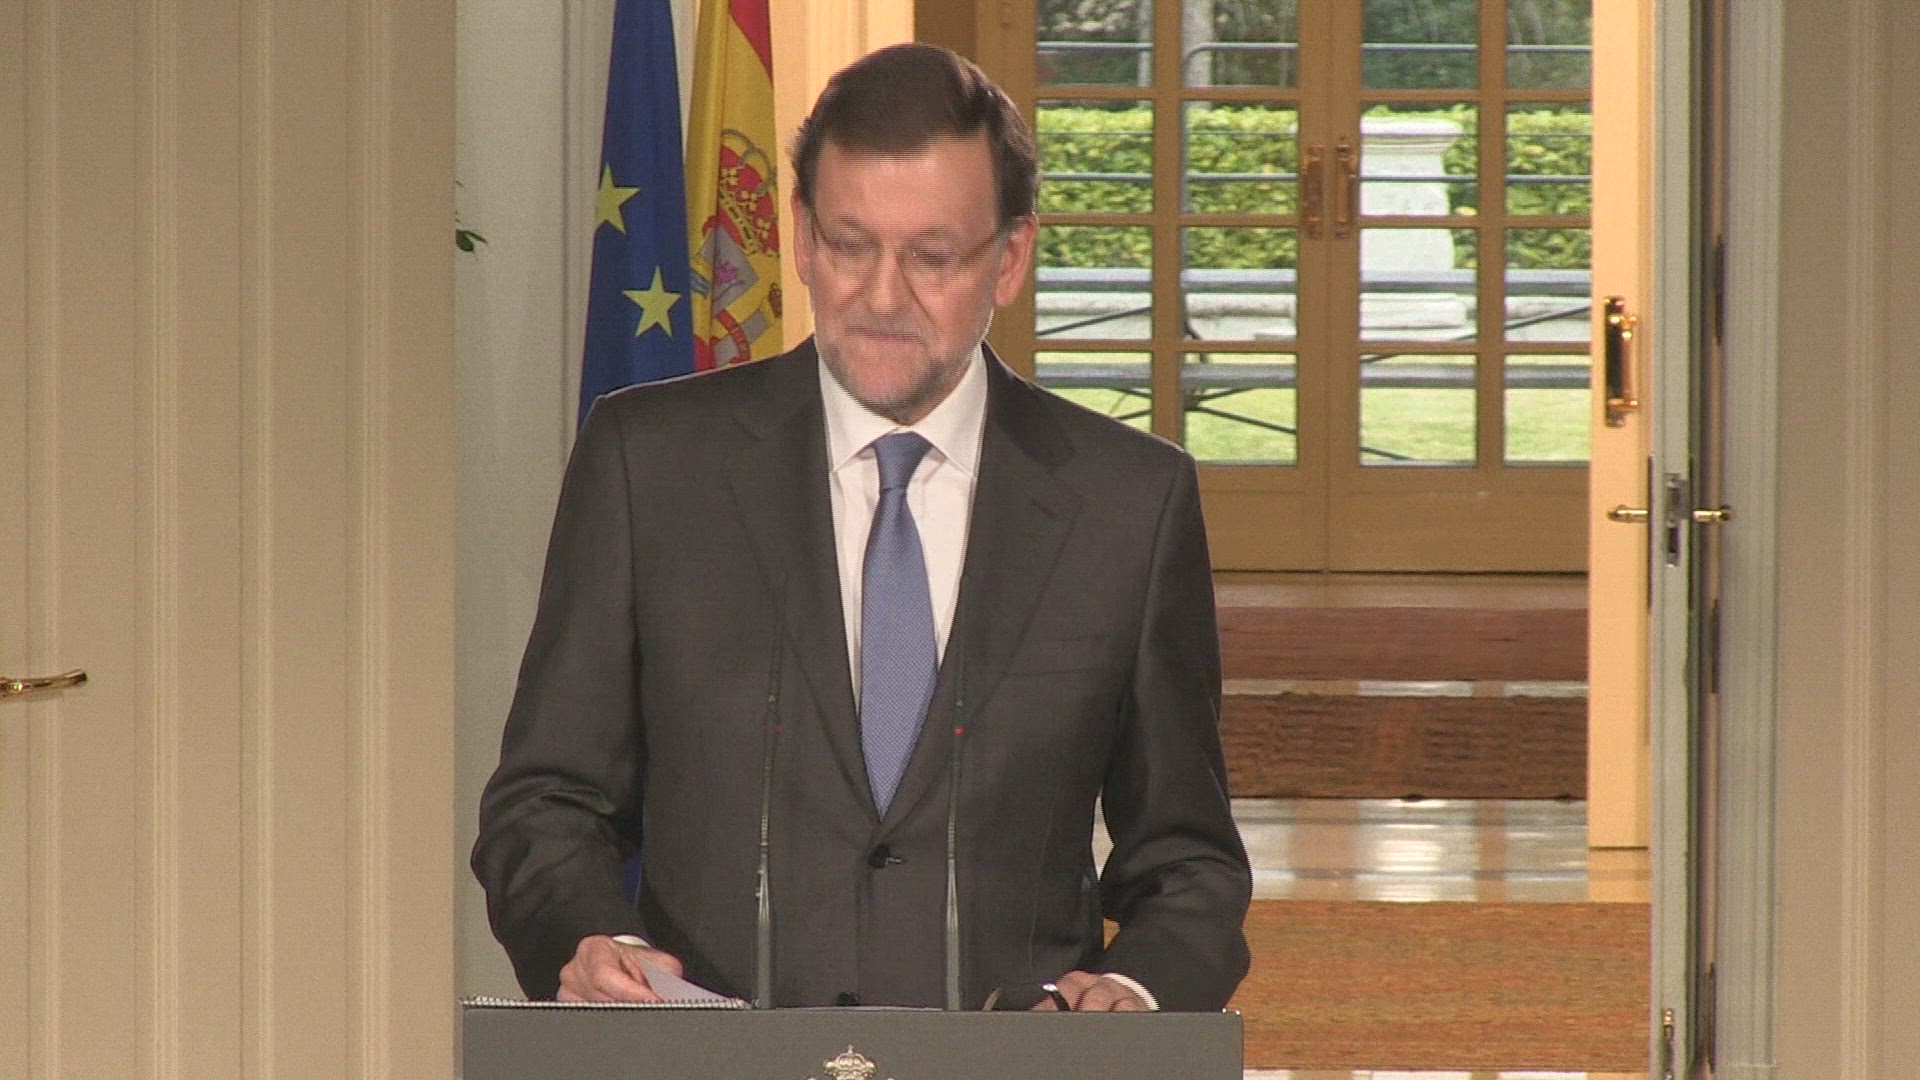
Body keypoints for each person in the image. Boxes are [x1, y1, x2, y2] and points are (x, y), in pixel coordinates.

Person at [472, 42, 1250, 1013]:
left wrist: (1134, 991)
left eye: (931, 257)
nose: (882, 298)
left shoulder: (1130, 503)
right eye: (850, 246)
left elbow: (1188, 863)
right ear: (801, 236)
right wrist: (598, 944)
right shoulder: (649, 465)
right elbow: (545, 804)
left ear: (1010, 259)